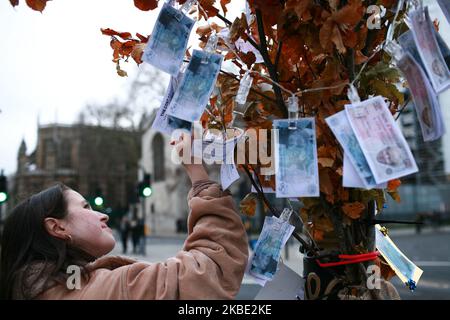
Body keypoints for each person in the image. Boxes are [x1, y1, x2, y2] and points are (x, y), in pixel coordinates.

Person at [0, 133, 248, 299]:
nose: (103, 216)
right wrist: (198, 176)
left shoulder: (44, 286)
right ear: (57, 227)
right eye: (86, 207)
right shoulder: (99, 290)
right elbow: (209, 273)